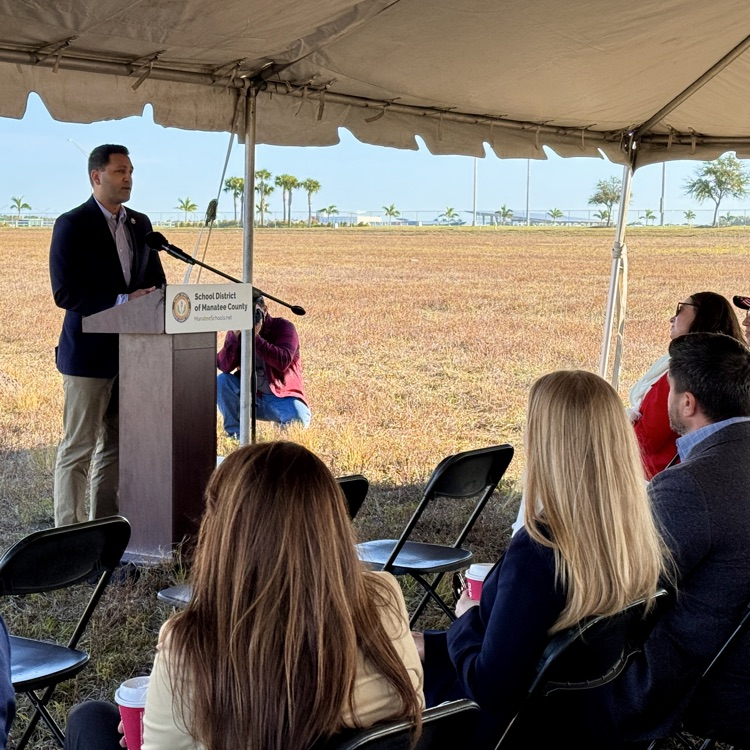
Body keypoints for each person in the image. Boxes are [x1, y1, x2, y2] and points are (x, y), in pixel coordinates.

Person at [65, 441, 423, 750]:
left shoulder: (190, 643)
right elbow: (411, 713)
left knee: (90, 721)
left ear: (226, 536)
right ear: (332, 524)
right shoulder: (383, 598)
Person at [415, 370, 668, 748]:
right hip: (575, 723)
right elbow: (526, 643)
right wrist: (435, 642)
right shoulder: (629, 539)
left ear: (548, 445)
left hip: (499, 728)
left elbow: (490, 687)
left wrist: (466, 615)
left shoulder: (540, 553)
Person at [615, 332, 750, 744]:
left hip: (694, 686)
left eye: (669, 389)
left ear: (687, 403)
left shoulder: (691, 486)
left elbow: (620, 587)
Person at [49, 144, 165, 527]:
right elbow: (65, 293)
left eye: (130, 170)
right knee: (78, 447)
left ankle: (104, 529)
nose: (128, 177)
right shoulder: (73, 224)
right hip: (88, 355)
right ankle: (68, 532)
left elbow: (156, 281)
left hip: (134, 355)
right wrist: (122, 300)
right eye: (119, 171)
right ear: (96, 177)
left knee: (117, 447)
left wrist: (154, 296)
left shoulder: (142, 224)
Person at [630, 291, 743, 479]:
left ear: (703, 316)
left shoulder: (681, 376)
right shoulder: (730, 369)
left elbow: (645, 440)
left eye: (681, 309)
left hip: (653, 475)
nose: (672, 318)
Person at [216, 296, 310, 437]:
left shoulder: (283, 328)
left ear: (264, 310)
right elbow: (224, 366)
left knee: (298, 419)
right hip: (251, 396)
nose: (248, 319)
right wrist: (234, 337)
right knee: (222, 380)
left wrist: (255, 338)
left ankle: (281, 442)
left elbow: (282, 361)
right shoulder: (238, 332)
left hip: (280, 396)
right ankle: (236, 436)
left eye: (253, 313)